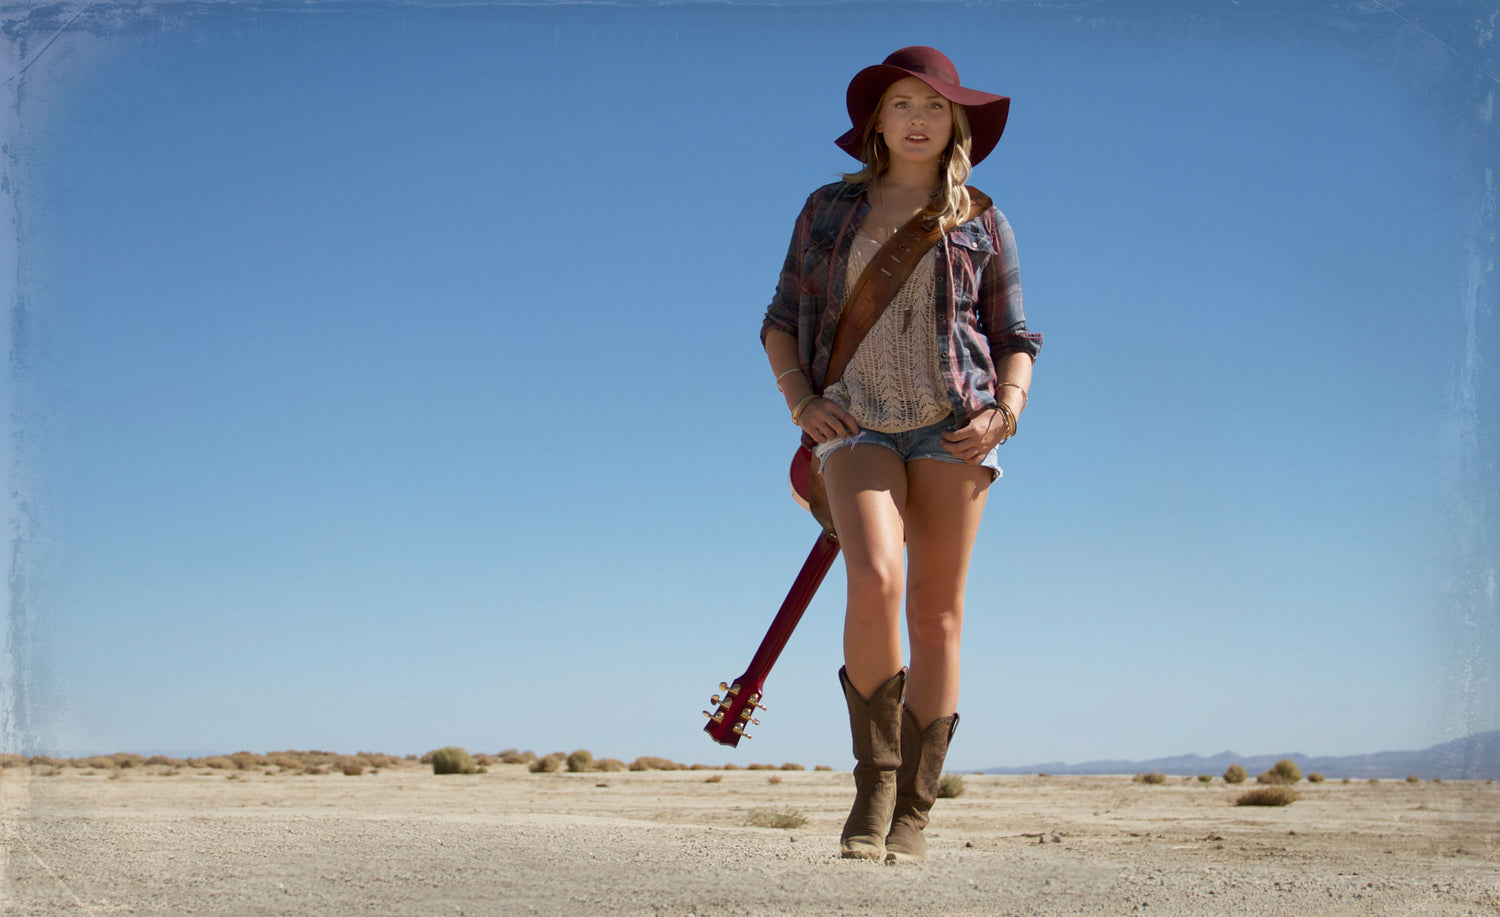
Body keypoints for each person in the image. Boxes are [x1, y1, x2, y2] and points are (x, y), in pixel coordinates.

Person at [760, 46, 1041, 863]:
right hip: (856, 423)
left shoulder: (984, 220)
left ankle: (916, 809)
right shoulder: (826, 209)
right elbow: (780, 319)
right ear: (875, 122)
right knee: (876, 576)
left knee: (937, 612)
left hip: (956, 423)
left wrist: (1007, 412)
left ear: (953, 122)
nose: (918, 120)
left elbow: (1016, 336)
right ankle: (875, 780)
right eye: (901, 105)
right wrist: (801, 402)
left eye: (934, 107)